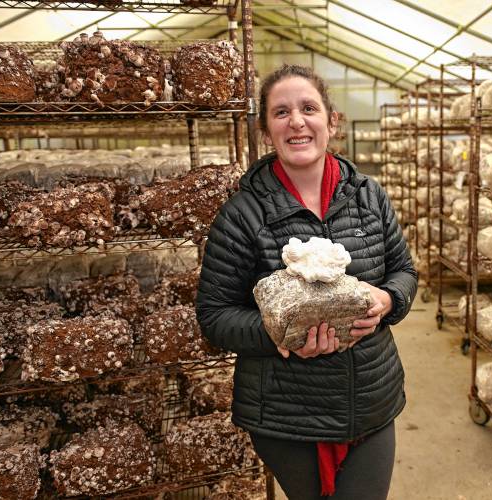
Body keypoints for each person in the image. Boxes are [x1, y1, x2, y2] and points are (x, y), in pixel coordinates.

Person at [196, 64, 418, 499]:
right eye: (281, 113)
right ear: (266, 131)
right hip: (288, 412)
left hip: (372, 398)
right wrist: (278, 335)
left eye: (308, 108)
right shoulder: (243, 214)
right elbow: (214, 316)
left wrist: (389, 300)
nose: (296, 121)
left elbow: (405, 272)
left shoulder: (369, 195)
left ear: (331, 122)